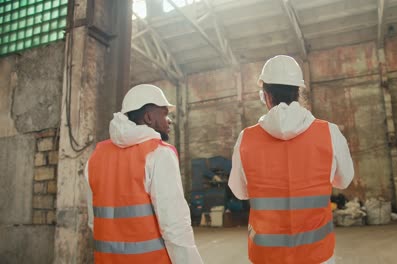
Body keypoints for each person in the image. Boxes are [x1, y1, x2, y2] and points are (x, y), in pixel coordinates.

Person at [229, 55, 354, 264]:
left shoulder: (246, 139)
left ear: (266, 95)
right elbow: (344, 180)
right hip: (317, 255)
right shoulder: (329, 133)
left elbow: (239, 191)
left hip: (266, 256)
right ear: (298, 92)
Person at [84, 84, 203, 264]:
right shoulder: (159, 153)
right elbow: (175, 226)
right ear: (148, 117)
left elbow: (94, 222)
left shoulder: (96, 157)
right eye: (164, 114)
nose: (169, 120)